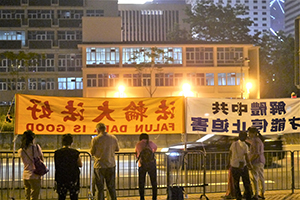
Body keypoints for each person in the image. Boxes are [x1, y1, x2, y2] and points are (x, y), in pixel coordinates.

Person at [90, 123, 120, 200]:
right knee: (111, 187)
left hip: (99, 165)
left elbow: (92, 152)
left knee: (99, 188)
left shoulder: (95, 139)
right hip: (111, 164)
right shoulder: (113, 138)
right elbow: (117, 149)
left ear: (98, 130)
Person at [54, 134, 82, 200]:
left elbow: (57, 165)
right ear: (71, 143)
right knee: (74, 196)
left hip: (61, 177)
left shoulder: (57, 153)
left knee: (61, 196)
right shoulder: (75, 153)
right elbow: (80, 164)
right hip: (73, 177)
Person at [18, 130, 44, 200]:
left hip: (25, 175)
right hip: (34, 175)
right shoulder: (36, 147)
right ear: (32, 139)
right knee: (34, 195)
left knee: (27, 195)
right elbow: (42, 159)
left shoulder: (21, 150)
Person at [227, 131, 252, 200]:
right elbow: (246, 157)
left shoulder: (233, 144)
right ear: (245, 137)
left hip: (234, 165)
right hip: (242, 166)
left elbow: (230, 153)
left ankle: (238, 196)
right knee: (246, 182)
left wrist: (228, 163)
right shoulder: (245, 146)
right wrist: (250, 165)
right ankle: (248, 196)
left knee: (236, 182)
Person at [135, 133, 158, 200]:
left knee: (141, 182)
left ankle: (142, 197)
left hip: (142, 165)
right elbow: (155, 148)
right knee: (154, 182)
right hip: (151, 164)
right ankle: (154, 197)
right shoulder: (150, 143)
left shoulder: (138, 144)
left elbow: (136, 155)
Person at [247, 127, 265, 200]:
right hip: (261, 160)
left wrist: (250, 161)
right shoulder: (259, 140)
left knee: (254, 178)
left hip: (256, 161)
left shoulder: (255, 141)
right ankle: (262, 193)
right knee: (261, 177)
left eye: (249, 133)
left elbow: (256, 153)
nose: (249, 134)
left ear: (254, 133)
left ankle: (256, 194)